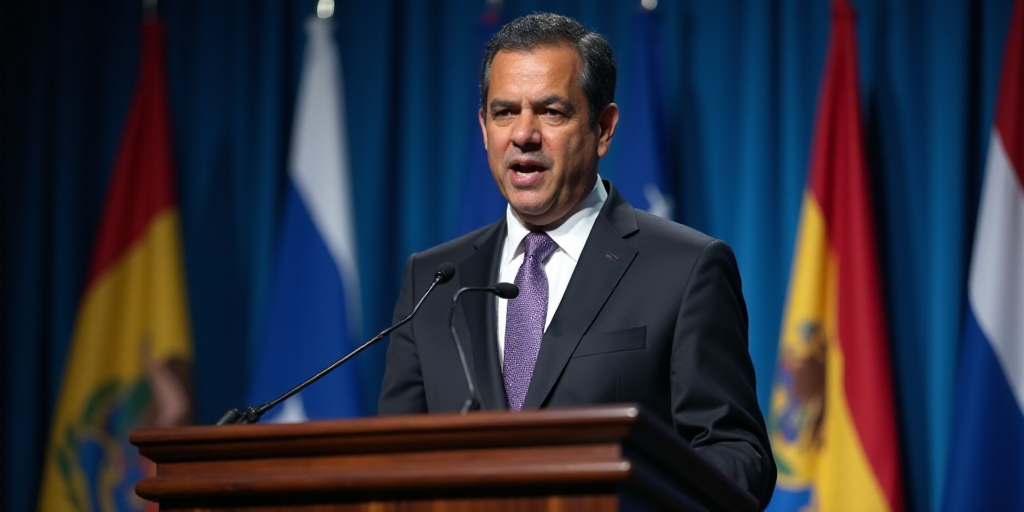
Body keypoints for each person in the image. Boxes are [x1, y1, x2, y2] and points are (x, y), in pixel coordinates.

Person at [378, 12, 776, 507]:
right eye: (504, 113)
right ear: (483, 128)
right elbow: (392, 465)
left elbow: (738, 458)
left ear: (604, 129)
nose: (523, 134)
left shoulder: (686, 269)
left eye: (551, 112)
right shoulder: (433, 282)